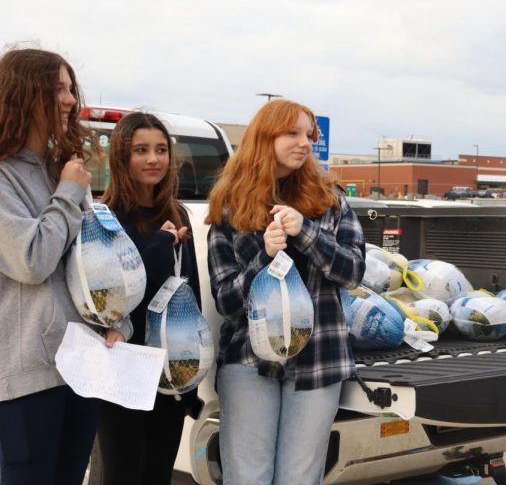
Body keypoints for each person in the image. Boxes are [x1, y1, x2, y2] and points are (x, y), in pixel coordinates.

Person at [206, 99, 366, 484]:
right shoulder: (229, 208)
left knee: (300, 478)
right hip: (248, 361)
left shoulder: (329, 198)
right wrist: (264, 255)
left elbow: (354, 272)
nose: (304, 143)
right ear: (265, 137)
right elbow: (226, 302)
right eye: (292, 133)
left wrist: (306, 232)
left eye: (308, 135)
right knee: (248, 477)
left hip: (318, 359)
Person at [0, 48, 129, 484]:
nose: (71, 99)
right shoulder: (5, 176)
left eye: (71, 88)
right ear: (22, 94)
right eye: (57, 89)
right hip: (27, 379)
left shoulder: (62, 170)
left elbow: (92, 266)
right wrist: (69, 193)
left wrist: (118, 322)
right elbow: (31, 260)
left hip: (82, 367)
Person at [95, 112, 201, 484]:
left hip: (166, 367)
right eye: (141, 150)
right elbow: (117, 292)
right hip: (121, 363)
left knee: (158, 474)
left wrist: (191, 377)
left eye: (160, 150)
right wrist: (160, 242)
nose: (153, 159)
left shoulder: (177, 212)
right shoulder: (106, 218)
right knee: (121, 473)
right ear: (122, 157)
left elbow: (189, 292)